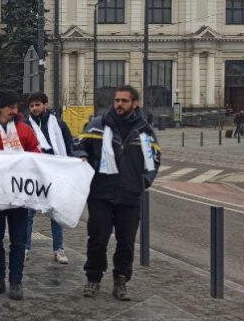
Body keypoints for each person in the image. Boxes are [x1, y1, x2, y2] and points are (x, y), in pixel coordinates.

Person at [75, 85, 160, 302]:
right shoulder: (97, 125)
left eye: (124, 101)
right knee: (98, 238)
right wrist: (83, 156)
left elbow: (154, 160)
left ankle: (121, 280)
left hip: (130, 195)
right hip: (101, 193)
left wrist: (144, 181)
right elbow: (78, 145)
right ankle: (93, 278)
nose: (119, 104)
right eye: (117, 100)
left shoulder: (144, 131)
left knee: (126, 242)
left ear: (135, 103)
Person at [0, 90, 42, 300]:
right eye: (11, 107)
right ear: (1, 108)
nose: (15, 110)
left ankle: (16, 281)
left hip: (19, 196)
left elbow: (37, 155)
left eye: (16, 107)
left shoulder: (24, 129)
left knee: (18, 241)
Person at [24, 92, 74, 264]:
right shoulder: (25, 125)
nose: (34, 108)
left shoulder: (58, 124)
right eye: (31, 106)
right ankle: (25, 247)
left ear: (45, 104)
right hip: (32, 174)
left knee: (55, 213)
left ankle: (58, 249)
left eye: (37, 105)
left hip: (54, 174)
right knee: (28, 213)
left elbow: (69, 146)